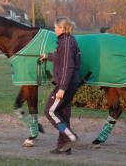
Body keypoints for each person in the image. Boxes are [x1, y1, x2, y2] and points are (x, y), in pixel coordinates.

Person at [40, 17, 81, 155]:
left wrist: (62, 88)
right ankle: (64, 146)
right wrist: (48, 56)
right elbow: (61, 57)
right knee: (62, 113)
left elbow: (68, 67)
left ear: (63, 28)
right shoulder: (68, 41)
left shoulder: (66, 43)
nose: (54, 29)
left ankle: (70, 136)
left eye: (56, 27)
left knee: (50, 111)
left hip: (66, 84)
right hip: (70, 83)